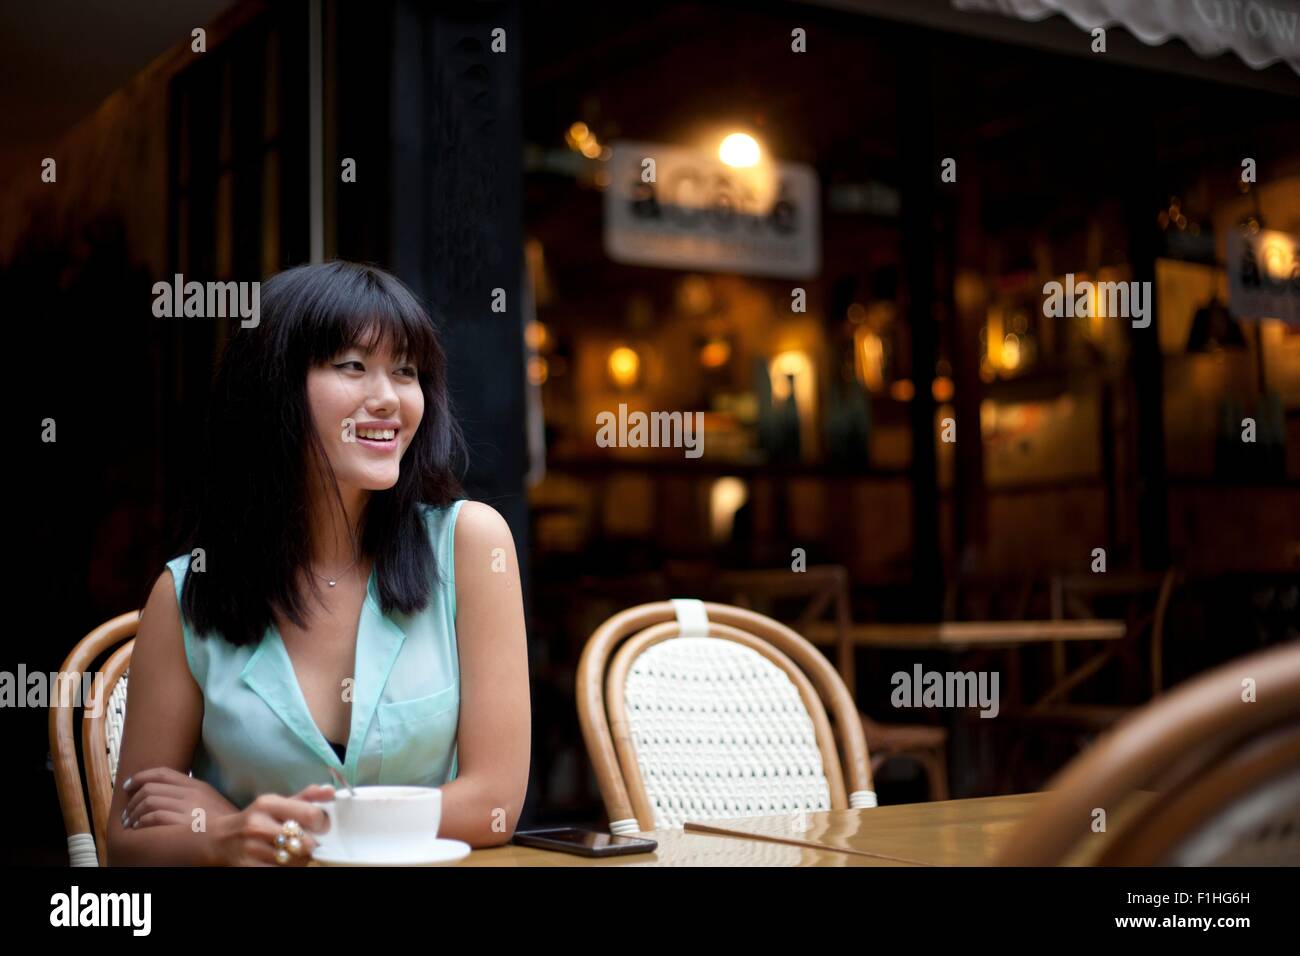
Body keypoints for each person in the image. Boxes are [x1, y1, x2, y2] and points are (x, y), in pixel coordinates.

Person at [107, 261, 530, 865]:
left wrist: (272, 829)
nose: (387, 398)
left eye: (406, 371)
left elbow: (494, 805)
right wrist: (225, 838)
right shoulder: (186, 594)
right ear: (273, 387)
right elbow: (127, 840)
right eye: (352, 366)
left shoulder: (471, 546)